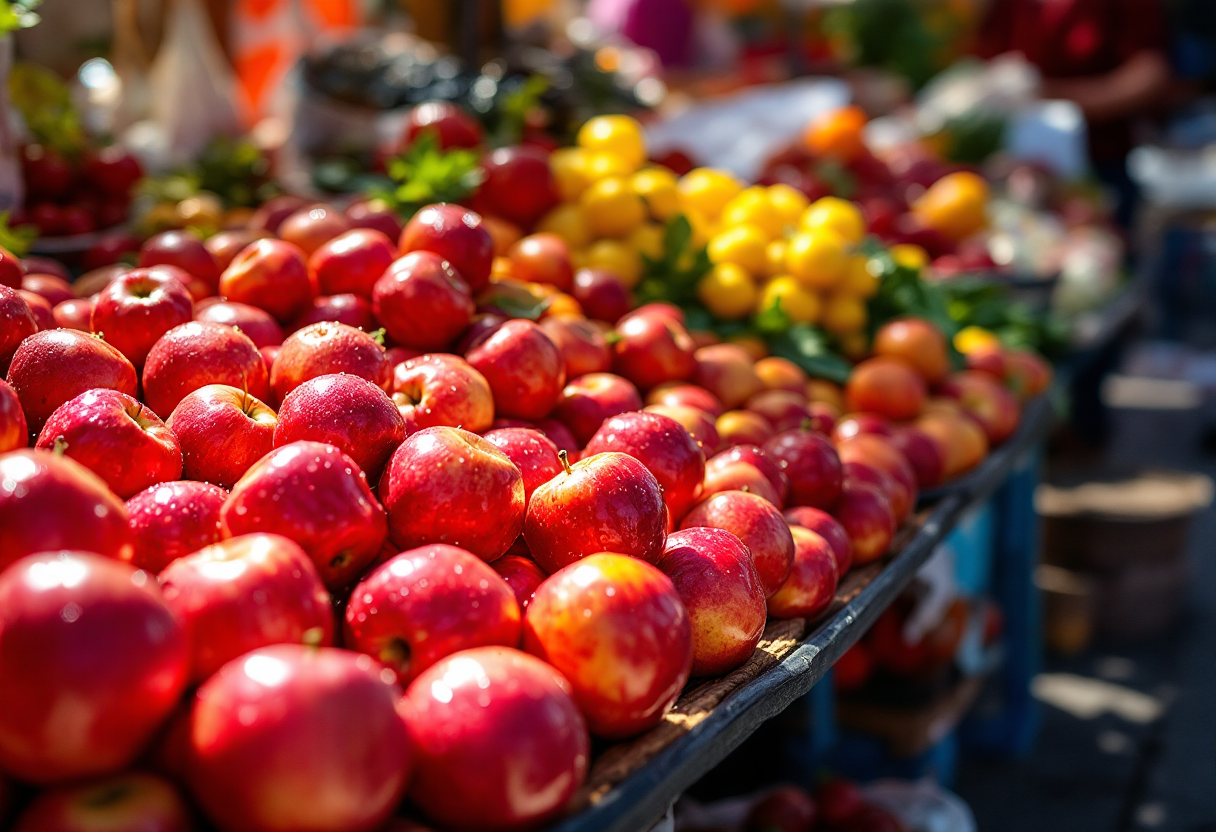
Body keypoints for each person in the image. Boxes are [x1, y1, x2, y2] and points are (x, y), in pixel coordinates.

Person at [976, 0, 1172, 226]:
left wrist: (1050, 93)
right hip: (1015, 169)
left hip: (1099, 170)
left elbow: (1150, 75)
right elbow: (985, 57)